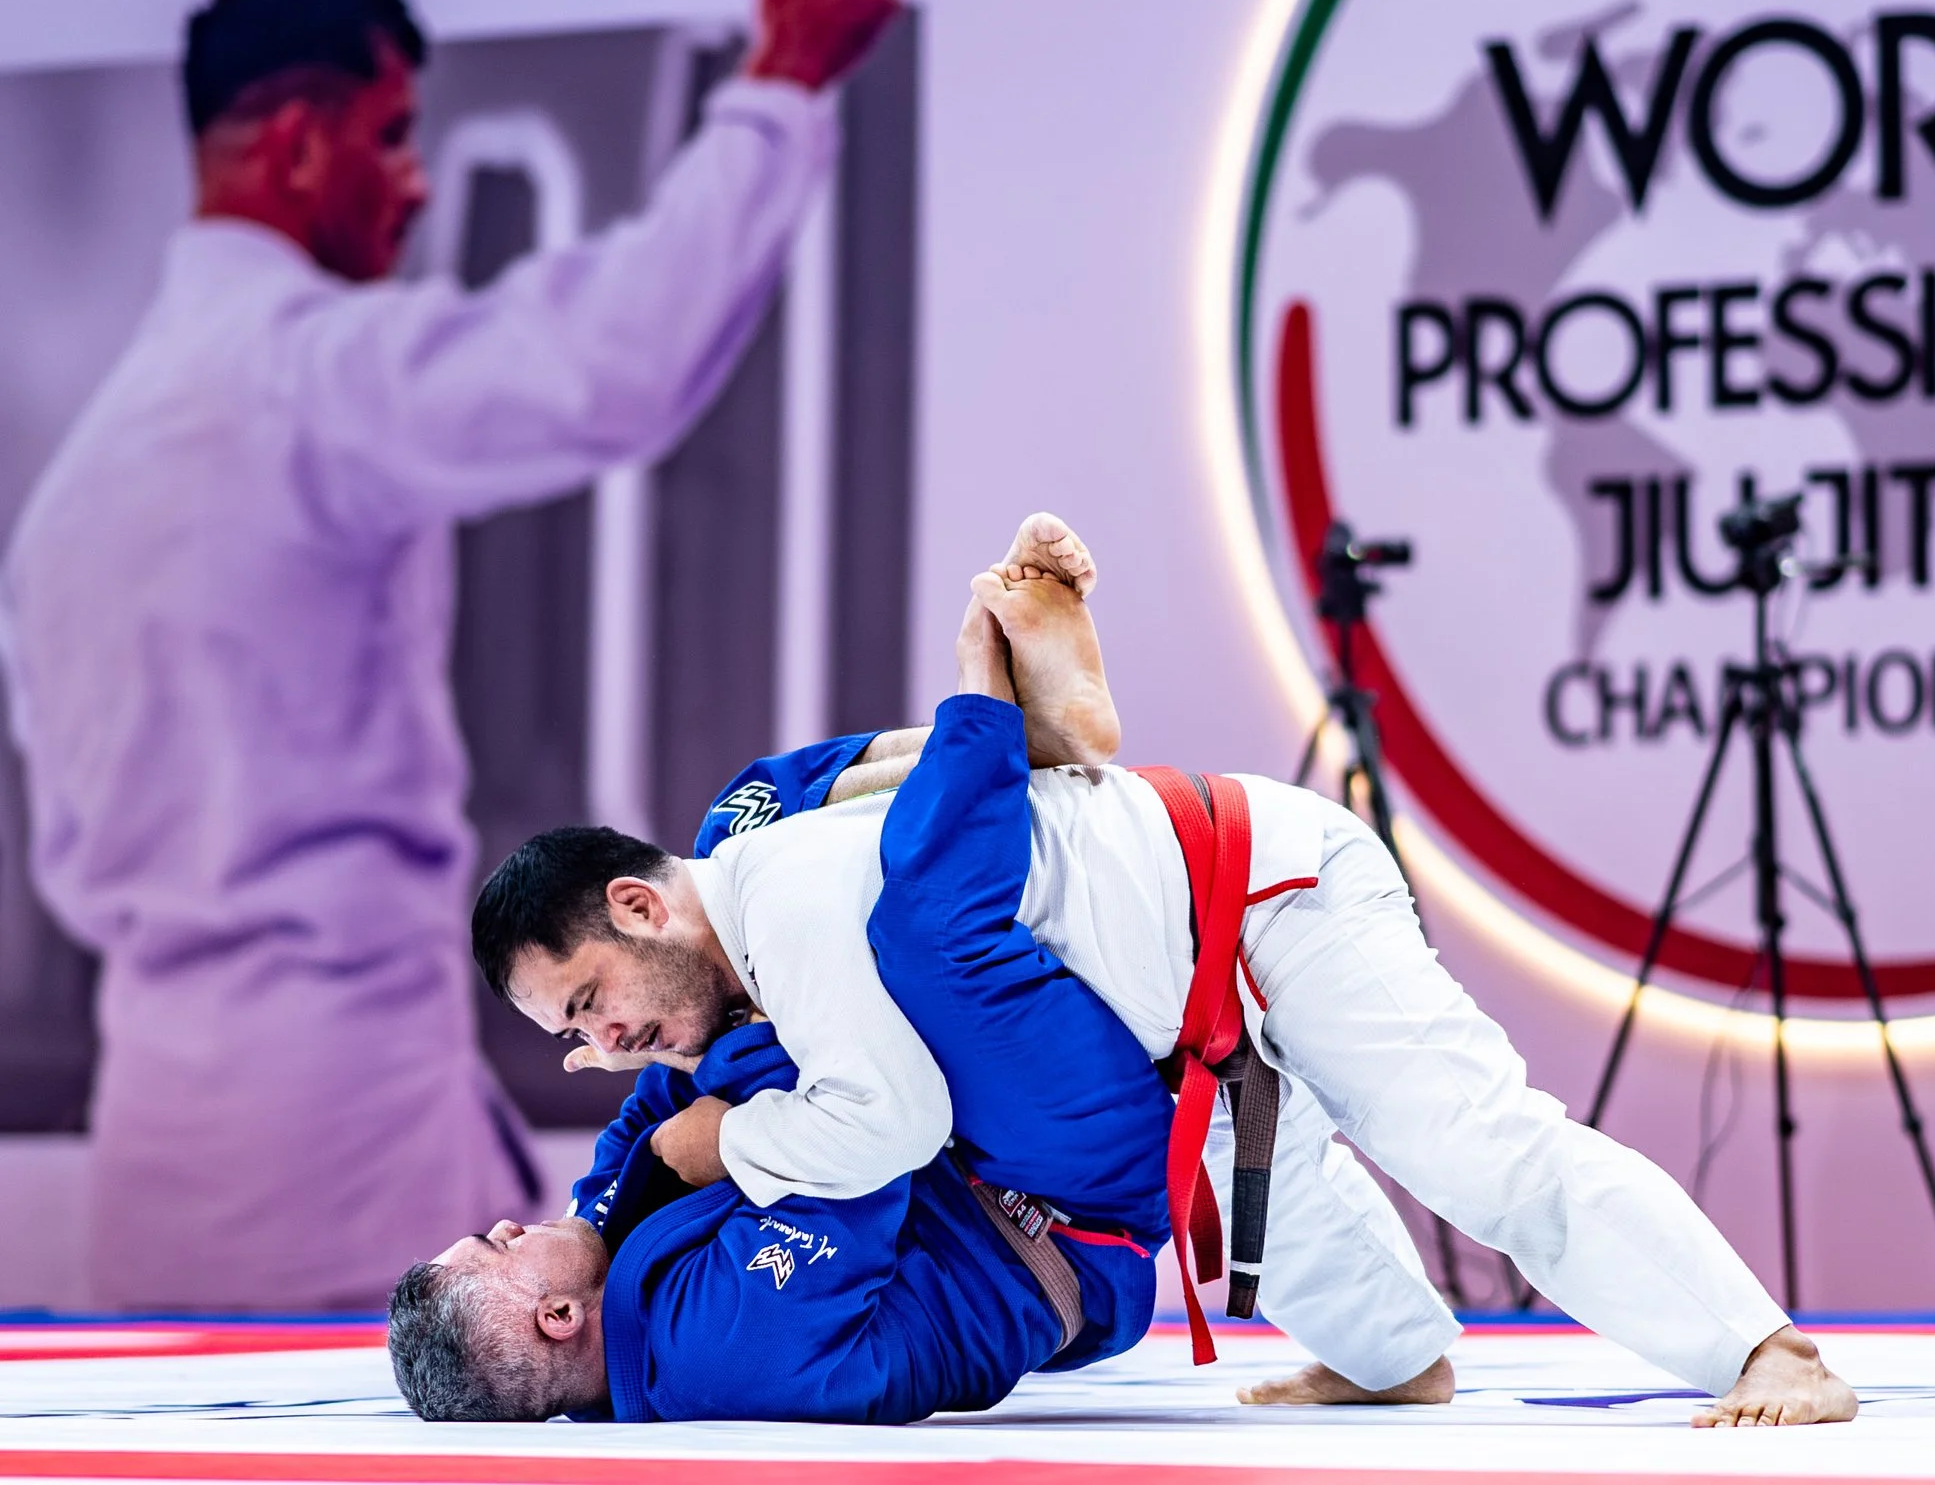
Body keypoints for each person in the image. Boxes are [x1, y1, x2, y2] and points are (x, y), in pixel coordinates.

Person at [0, 0, 899, 1309]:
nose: (416, 186)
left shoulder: (69, 498)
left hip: (152, 1156)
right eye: (393, 137)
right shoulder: (303, 377)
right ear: (300, 145)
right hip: (336, 1139)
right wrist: (779, 86)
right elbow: (612, 358)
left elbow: (62, 850)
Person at [476, 528, 1859, 1426]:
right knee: (1274, 1207)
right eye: (573, 1041)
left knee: (1470, 1145)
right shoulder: (755, 851)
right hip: (1167, 990)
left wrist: (725, 1135)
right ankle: (1395, 1356)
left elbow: (885, 1128)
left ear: (642, 903)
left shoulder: (778, 908)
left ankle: (1768, 1347)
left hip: (1259, 894)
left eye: (588, 1002)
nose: (599, 1044)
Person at [394, 675, 1175, 1424]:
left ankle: (1024, 741)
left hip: (975, 1150)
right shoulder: (722, 1350)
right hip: (1067, 1198)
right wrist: (716, 1082)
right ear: (558, 1317)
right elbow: (854, 1132)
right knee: (859, 929)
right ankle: (989, 730)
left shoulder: (603, 1264)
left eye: (589, 1009)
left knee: (736, 832)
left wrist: (689, 1058)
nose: (503, 1227)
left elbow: (652, 1121)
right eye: (492, 1252)